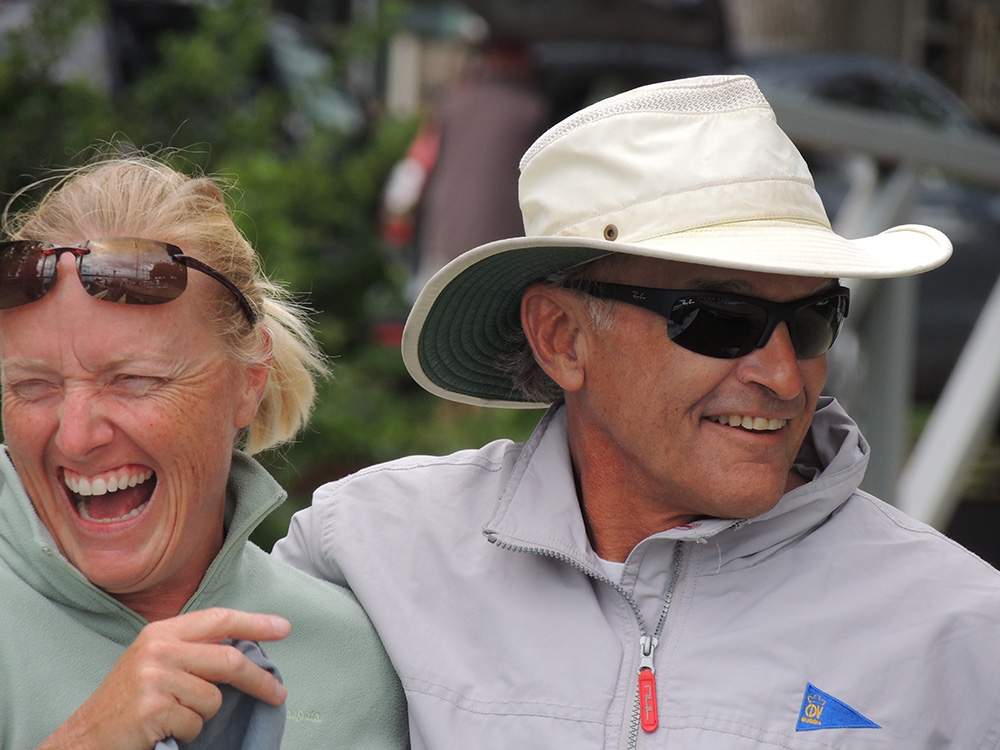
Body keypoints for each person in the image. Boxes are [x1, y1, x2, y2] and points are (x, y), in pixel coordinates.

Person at [273, 74, 1000, 748]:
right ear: (561, 338)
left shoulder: (960, 630)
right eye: (719, 318)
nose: (784, 376)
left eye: (813, 318)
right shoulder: (368, 550)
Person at [0, 155, 408, 749]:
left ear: (249, 381)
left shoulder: (357, 661)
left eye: (134, 380)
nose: (76, 436)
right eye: (32, 386)